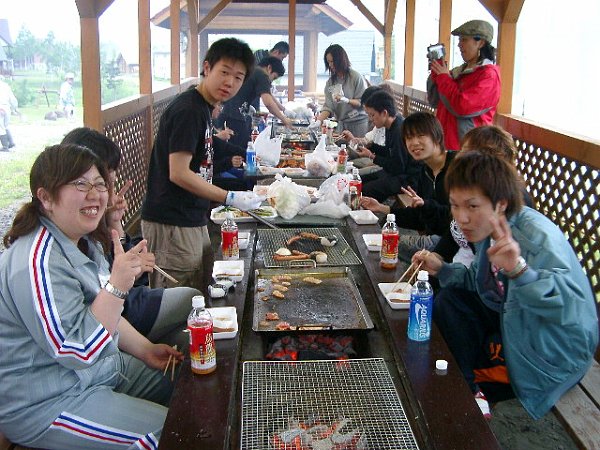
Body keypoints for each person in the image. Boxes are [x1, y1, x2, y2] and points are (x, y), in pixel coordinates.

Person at [0, 144, 181, 449]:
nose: (95, 194)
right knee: (173, 432)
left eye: (99, 184)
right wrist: (119, 284)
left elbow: (99, 314)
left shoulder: (82, 240)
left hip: (100, 371)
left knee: (190, 382)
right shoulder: (37, 262)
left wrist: (147, 350)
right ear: (45, 197)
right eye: (80, 184)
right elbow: (77, 352)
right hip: (48, 401)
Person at [412, 150, 598, 420]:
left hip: (552, 345)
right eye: (454, 205)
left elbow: (569, 313)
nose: (461, 218)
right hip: (512, 316)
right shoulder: (490, 230)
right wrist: (442, 269)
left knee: (458, 346)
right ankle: (470, 390)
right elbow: (478, 284)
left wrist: (519, 271)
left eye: (472, 206)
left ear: (500, 203)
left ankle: (471, 393)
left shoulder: (537, 236)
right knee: (448, 300)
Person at [140, 37, 264, 291]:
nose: (230, 82)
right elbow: (179, 173)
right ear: (207, 68)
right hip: (172, 221)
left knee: (198, 287)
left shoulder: (202, 108)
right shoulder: (189, 110)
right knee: (178, 300)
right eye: (224, 72)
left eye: (238, 77)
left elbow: (204, 152)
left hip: (191, 217)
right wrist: (229, 197)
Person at [61, 127, 200, 349]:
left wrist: (115, 221)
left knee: (190, 323)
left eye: (104, 185)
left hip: (123, 309)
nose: (98, 195)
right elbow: (106, 293)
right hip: (120, 315)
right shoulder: (67, 237)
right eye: (84, 184)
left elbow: (121, 269)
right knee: (192, 302)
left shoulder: (93, 226)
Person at [433, 125, 532, 266]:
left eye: (469, 154)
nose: (458, 157)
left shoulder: (511, 203)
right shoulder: (471, 187)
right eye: (462, 151)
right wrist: (437, 256)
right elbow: (454, 231)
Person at [360, 112, 456, 251]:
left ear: (437, 136)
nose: (414, 143)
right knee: (379, 236)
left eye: (420, 135)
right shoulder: (425, 171)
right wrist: (382, 208)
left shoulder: (458, 167)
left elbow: (458, 217)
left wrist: (426, 206)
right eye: (409, 138)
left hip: (453, 242)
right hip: (435, 234)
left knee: (385, 246)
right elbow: (419, 216)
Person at [427, 20, 501, 150]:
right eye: (460, 40)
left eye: (464, 40)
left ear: (481, 42)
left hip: (468, 149)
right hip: (446, 144)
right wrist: (436, 73)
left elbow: (463, 107)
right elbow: (434, 100)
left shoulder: (489, 75)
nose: (459, 45)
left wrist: (443, 78)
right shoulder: (459, 72)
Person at [353, 90, 421, 202]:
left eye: (372, 115)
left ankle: (372, 214)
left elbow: (398, 167)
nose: (371, 119)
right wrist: (371, 146)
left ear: (384, 113)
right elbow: (390, 152)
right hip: (395, 174)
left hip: (407, 180)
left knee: (367, 189)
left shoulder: (399, 130)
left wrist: (372, 157)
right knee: (359, 180)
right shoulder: (392, 125)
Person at [216, 56, 292, 149]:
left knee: (232, 148)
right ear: (269, 68)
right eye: (274, 77)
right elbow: (268, 102)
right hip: (236, 116)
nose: (271, 81)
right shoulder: (262, 75)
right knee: (239, 151)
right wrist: (284, 120)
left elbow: (269, 95)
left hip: (227, 113)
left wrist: (283, 109)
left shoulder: (254, 71)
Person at [313, 44, 369, 137]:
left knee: (357, 149)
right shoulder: (330, 82)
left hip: (359, 124)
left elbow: (363, 103)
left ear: (340, 60)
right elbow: (328, 107)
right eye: (328, 62)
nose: (330, 65)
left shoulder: (356, 77)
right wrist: (319, 120)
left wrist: (346, 100)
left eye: (332, 61)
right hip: (342, 125)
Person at [0, 75, 18, 151]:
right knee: (6, 126)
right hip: (7, 108)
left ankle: (5, 147)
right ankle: (11, 143)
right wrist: (14, 108)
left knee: (1, 128)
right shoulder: (6, 86)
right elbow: (13, 99)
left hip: (1, 107)